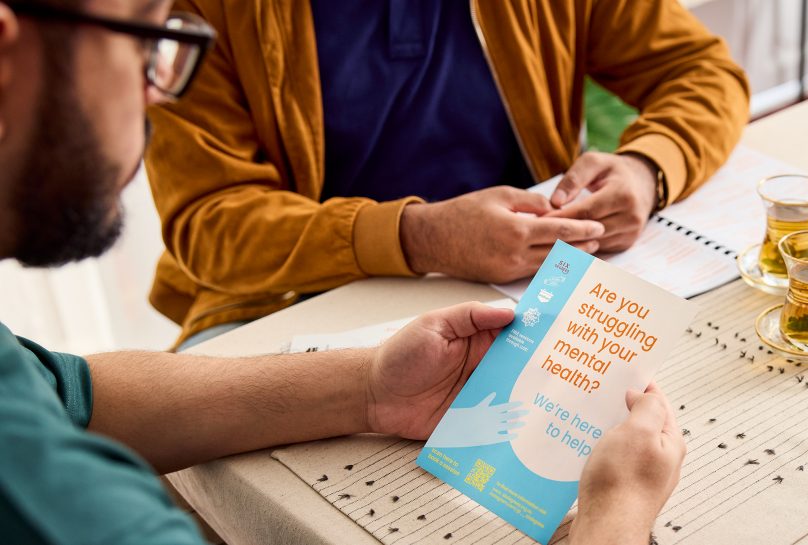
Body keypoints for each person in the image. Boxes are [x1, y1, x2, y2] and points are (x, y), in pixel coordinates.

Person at [0, 1, 685, 543]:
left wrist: (368, 388)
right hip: (286, 308)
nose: (158, 95)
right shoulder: (50, 492)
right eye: (147, 44)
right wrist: (614, 520)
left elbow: (69, 390)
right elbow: (208, 223)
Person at [144, 0, 750, 348]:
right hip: (288, 297)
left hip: (528, 282)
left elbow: (701, 71)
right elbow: (210, 221)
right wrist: (421, 236)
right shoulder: (198, 8)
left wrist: (649, 167)